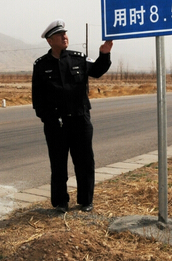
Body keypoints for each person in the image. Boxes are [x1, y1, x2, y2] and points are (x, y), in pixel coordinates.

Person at [32, 19, 112, 213]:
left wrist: (105, 53)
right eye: (60, 35)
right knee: (58, 164)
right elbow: (37, 98)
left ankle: (86, 200)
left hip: (79, 120)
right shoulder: (41, 65)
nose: (64, 37)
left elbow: (98, 71)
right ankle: (60, 202)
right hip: (56, 124)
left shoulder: (78, 59)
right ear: (50, 41)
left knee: (84, 162)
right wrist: (48, 119)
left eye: (65, 33)